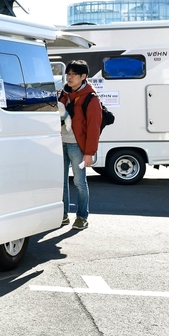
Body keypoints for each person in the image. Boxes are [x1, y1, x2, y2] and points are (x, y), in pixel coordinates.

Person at [57, 60, 102, 230]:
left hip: (77, 145)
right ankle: (63, 215)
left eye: (74, 74)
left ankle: (82, 216)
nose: (69, 77)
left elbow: (93, 127)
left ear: (84, 76)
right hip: (61, 143)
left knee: (79, 182)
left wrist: (89, 152)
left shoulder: (91, 98)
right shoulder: (64, 93)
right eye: (68, 73)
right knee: (61, 181)